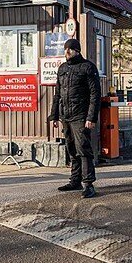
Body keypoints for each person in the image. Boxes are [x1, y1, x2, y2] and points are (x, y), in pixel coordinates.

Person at [48, 38, 101, 198]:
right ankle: (75, 181)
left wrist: (91, 117)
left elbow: (95, 94)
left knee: (83, 149)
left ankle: (89, 184)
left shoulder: (88, 67)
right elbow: (58, 94)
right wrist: (54, 115)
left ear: (77, 50)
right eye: (65, 49)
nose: (67, 52)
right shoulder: (62, 68)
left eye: (69, 49)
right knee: (71, 149)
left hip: (81, 116)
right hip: (66, 115)